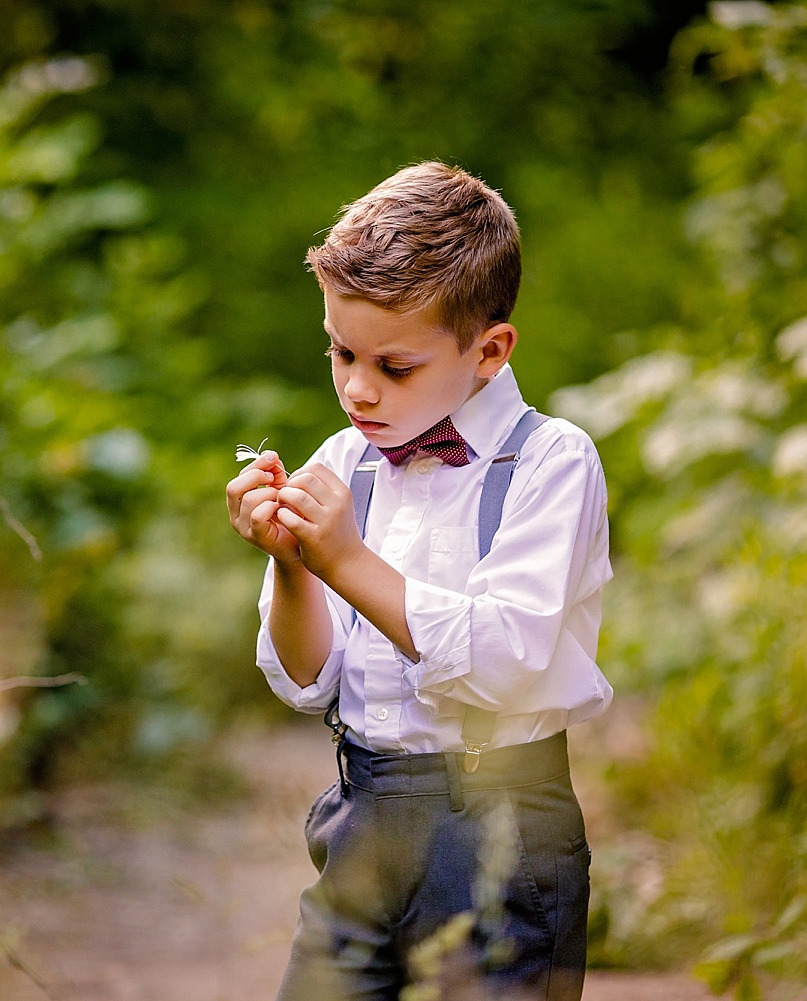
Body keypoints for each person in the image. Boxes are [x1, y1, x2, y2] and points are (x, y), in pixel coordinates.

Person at [224, 161, 612, 1001]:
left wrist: (349, 562)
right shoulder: (344, 463)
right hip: (364, 814)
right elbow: (304, 678)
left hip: (498, 826)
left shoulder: (551, 463)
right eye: (341, 351)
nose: (358, 388)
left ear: (489, 349)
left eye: (394, 366)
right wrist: (293, 567)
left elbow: (505, 658)